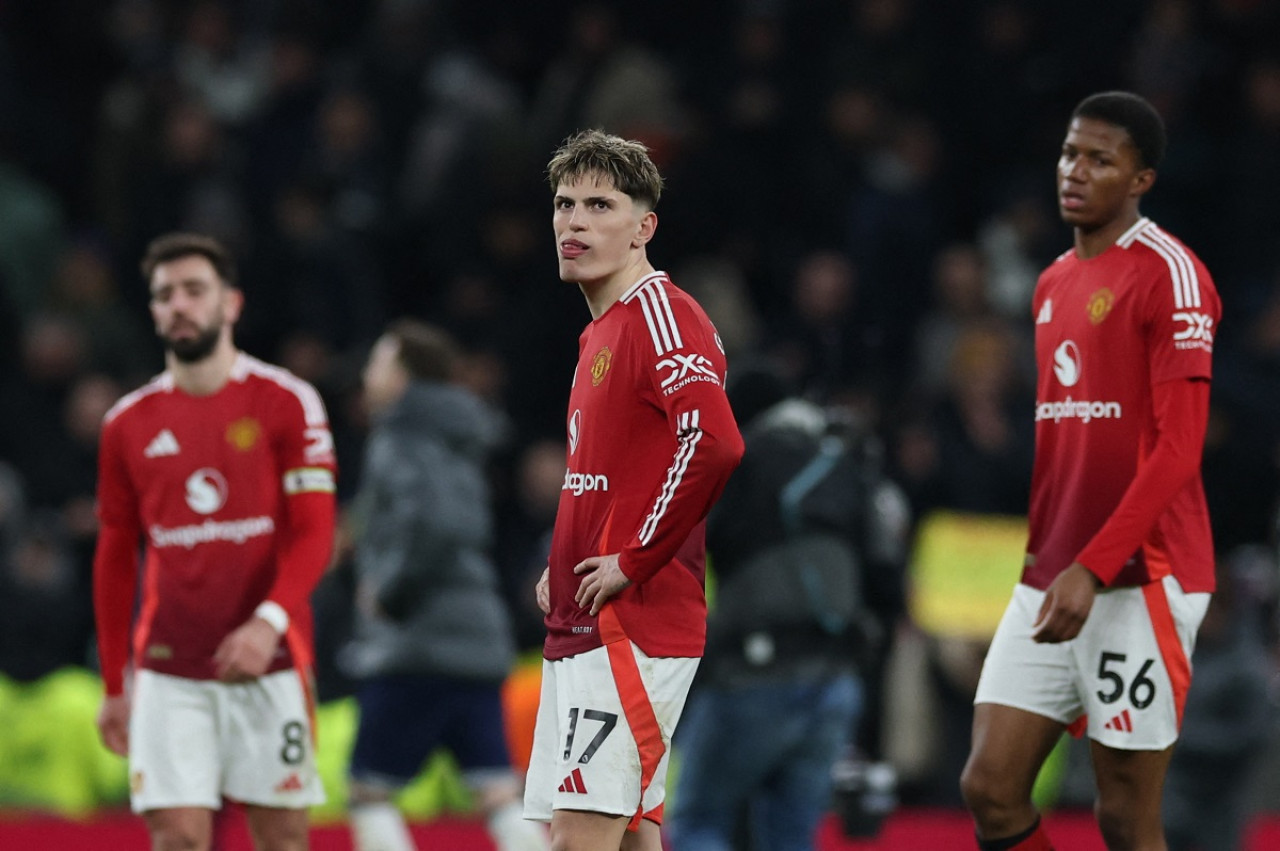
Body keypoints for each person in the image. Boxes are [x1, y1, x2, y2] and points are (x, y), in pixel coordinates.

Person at [959, 91, 1221, 851]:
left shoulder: (1171, 276)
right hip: (1051, 574)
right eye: (1071, 153)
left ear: (1141, 180)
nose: (1076, 171)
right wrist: (1058, 564)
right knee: (990, 789)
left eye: (1101, 160)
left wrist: (1096, 568)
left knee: (1123, 814)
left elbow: (1179, 448)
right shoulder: (1050, 284)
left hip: (1141, 578)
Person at [521, 129, 745, 851]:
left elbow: (713, 441)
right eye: (564, 204)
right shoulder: (599, 334)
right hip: (587, 624)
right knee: (625, 837)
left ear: (644, 227)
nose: (574, 221)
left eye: (599, 204)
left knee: (576, 839)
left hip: (631, 624)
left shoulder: (661, 314)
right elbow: (609, 474)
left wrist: (633, 557)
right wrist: (561, 564)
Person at [92, 232, 338, 851]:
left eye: (194, 290)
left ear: (231, 304)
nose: (179, 305)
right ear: (152, 312)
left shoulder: (288, 401)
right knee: (176, 836)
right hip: (169, 669)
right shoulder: (127, 424)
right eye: (164, 295)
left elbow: (315, 534)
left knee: (282, 838)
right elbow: (115, 555)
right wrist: (114, 685)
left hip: (271, 661)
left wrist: (267, 624)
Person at [666, 363, 911, 851]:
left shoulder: (738, 460)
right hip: (836, 681)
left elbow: (686, 544)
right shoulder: (847, 462)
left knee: (698, 820)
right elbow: (887, 576)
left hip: (754, 675)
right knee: (790, 836)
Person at [340, 319, 548, 851]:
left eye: (378, 363)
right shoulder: (458, 433)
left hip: (418, 647)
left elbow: (435, 525)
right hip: (475, 642)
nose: (368, 374)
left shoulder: (402, 435)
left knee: (367, 792)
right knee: (497, 792)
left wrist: (388, 591)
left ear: (404, 376)